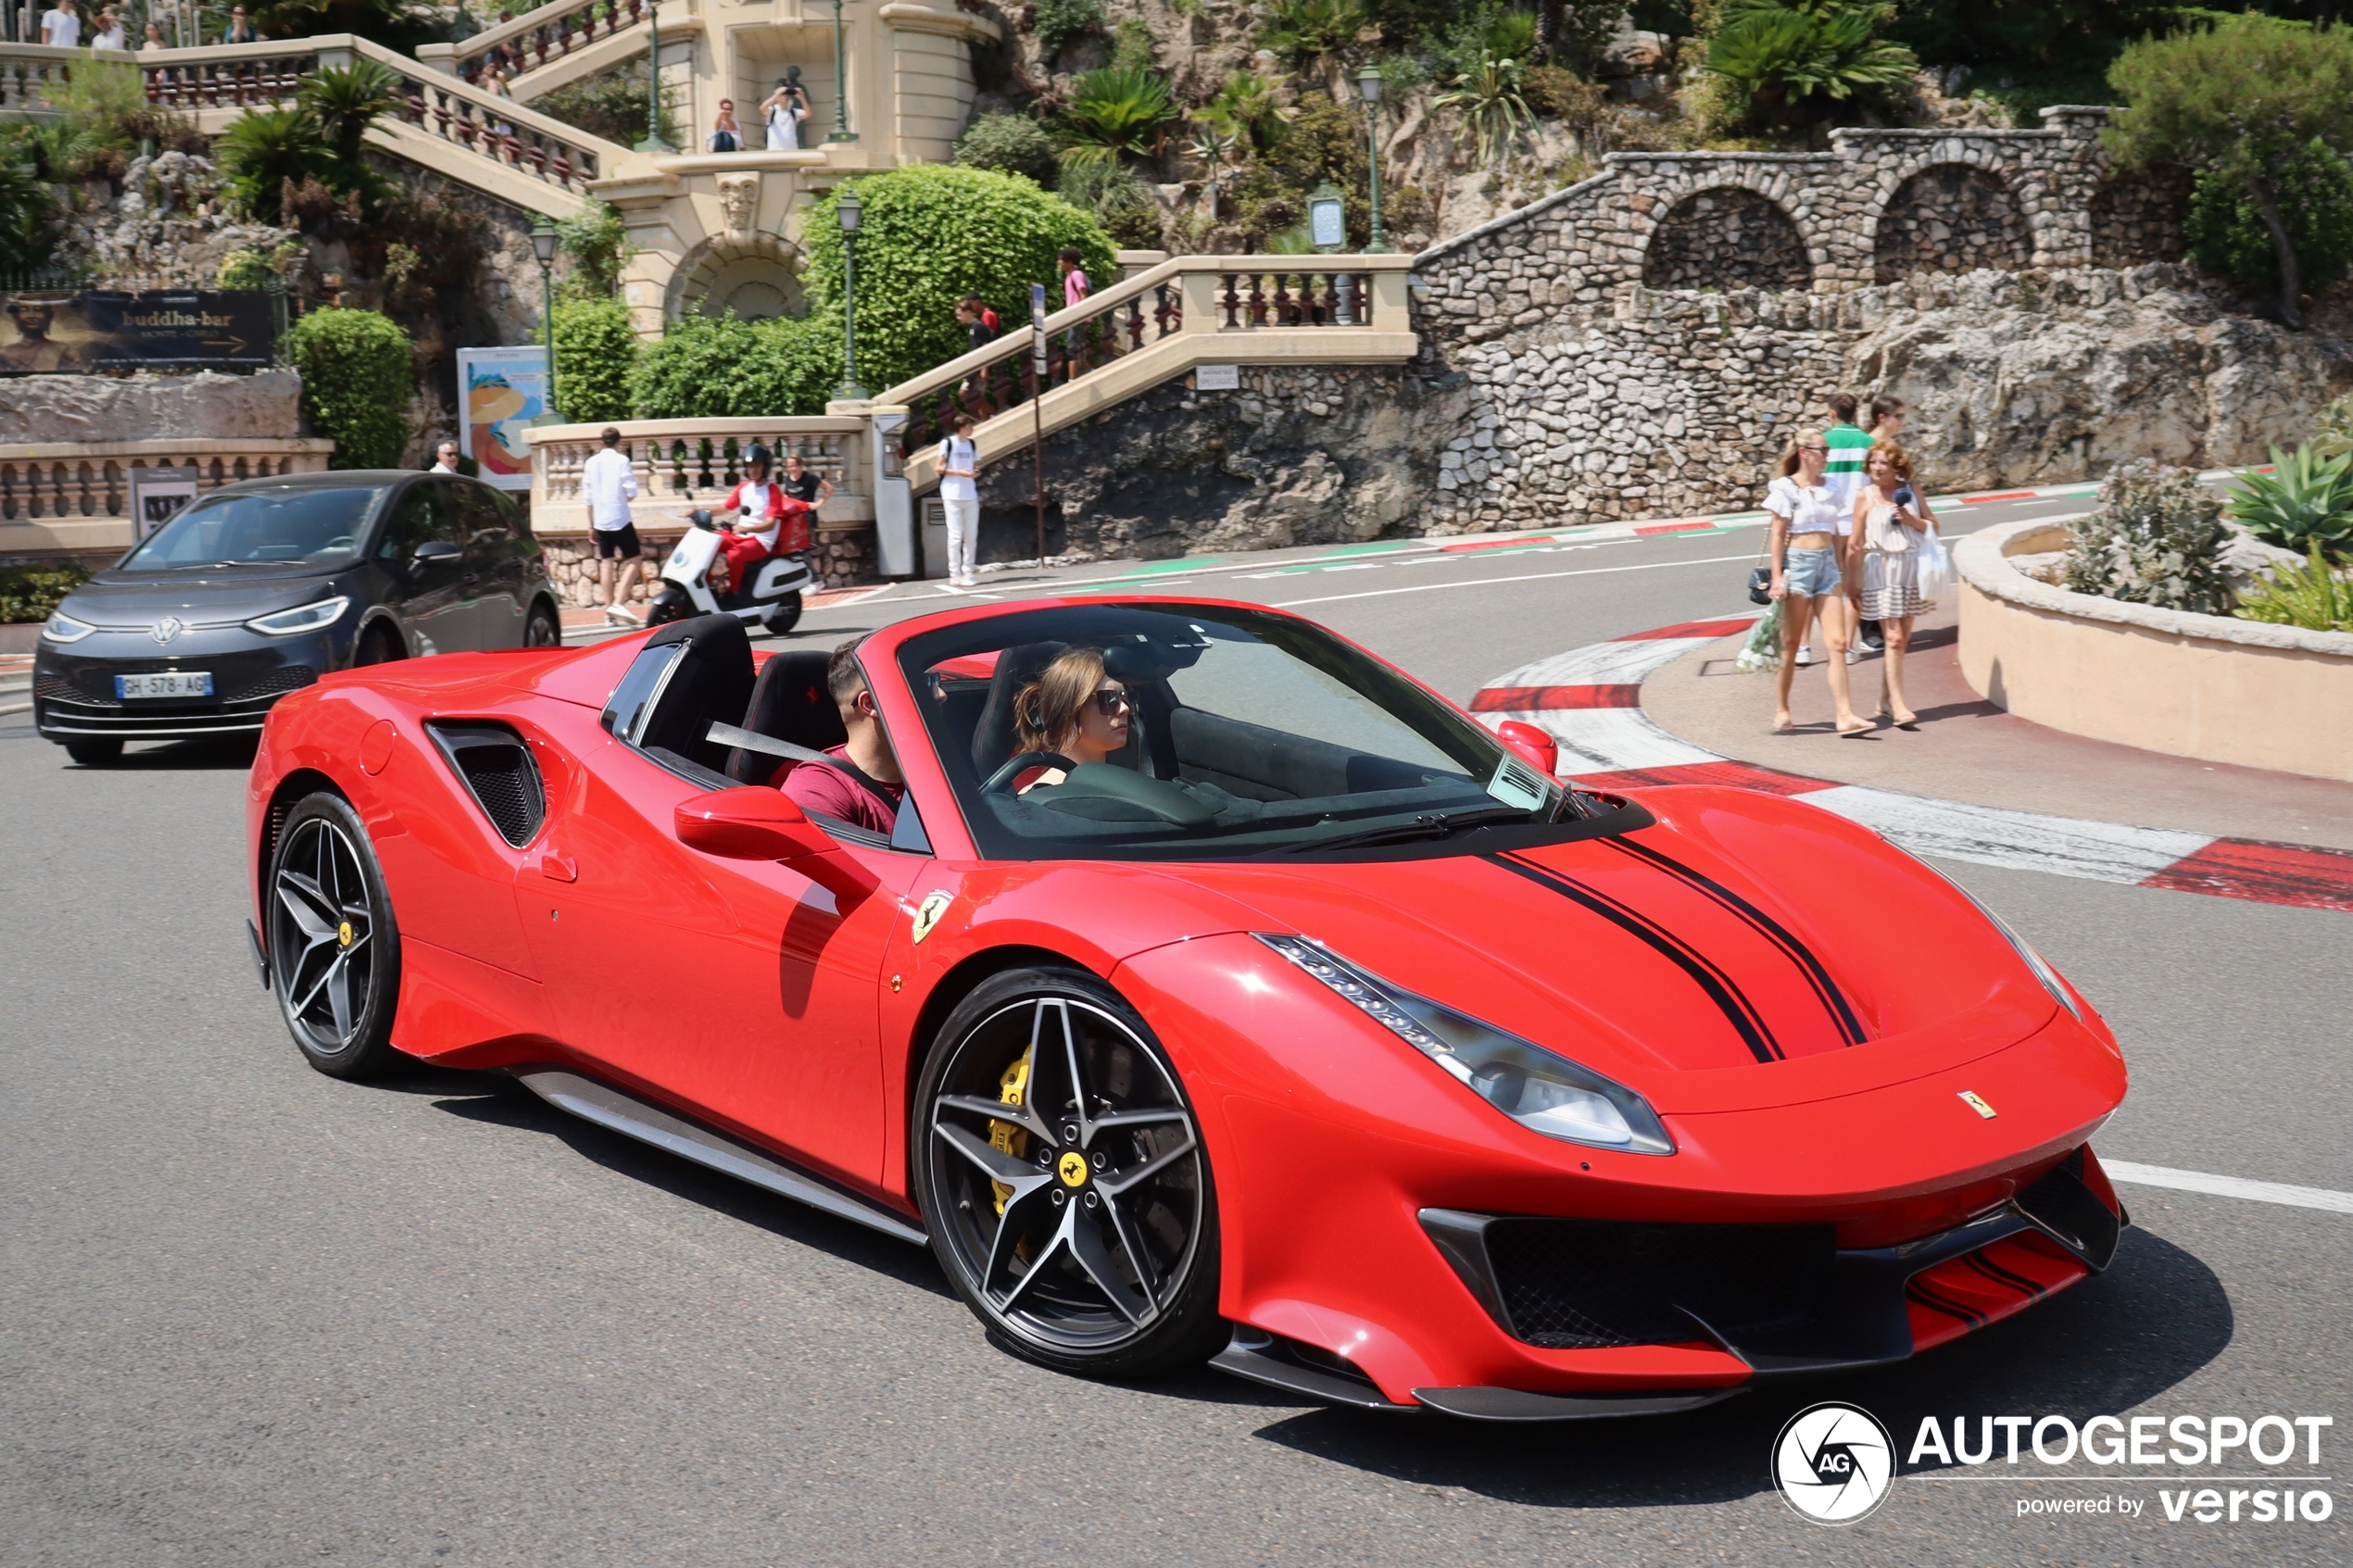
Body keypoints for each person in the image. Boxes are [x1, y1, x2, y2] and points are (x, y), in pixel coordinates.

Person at [1764, 430, 1866, 737]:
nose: (1827, 455)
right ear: (1804, 452)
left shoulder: (1831, 487)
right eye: (1822, 450)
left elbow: (1835, 533)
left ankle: (1845, 715)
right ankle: (1782, 709)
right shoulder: (1785, 488)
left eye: (1827, 450)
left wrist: (1840, 568)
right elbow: (1778, 535)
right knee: (1792, 645)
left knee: (1837, 643)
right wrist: (1777, 577)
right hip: (1798, 565)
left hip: (1827, 568)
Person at [774, 637, 906, 835]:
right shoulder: (818, 791)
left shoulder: (943, 765)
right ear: (870, 704)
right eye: (922, 686)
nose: (940, 694)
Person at [1850, 441, 1939, 729]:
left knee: (1902, 641)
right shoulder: (1864, 496)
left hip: (1911, 567)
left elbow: (1934, 526)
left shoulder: (1911, 489)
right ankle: (1899, 706)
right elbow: (1854, 543)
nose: (1877, 468)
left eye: (1883, 463)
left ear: (1896, 466)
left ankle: (1885, 702)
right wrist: (1853, 582)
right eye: (1873, 462)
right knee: (1893, 639)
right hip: (1882, 569)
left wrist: (1912, 519)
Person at [1008, 646, 1130, 791]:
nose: (1125, 709)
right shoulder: (1036, 801)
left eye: (1125, 698)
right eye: (1109, 700)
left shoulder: (1130, 784)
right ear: (1069, 709)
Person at [717, 443, 812, 590]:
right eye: (749, 466)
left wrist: (746, 528)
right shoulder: (744, 487)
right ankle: (711, 588)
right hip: (741, 535)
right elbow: (724, 507)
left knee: (734, 556)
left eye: (757, 465)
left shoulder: (772, 490)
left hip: (761, 541)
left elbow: (770, 523)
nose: (753, 470)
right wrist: (700, 511)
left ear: (765, 467)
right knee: (713, 541)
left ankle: (734, 593)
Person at [581, 426, 646, 625]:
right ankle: (618, 603)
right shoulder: (622, 460)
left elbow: (588, 497)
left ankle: (608, 613)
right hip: (620, 518)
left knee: (606, 562)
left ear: (601, 442)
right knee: (635, 559)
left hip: (600, 520)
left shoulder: (591, 463)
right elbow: (631, 492)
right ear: (619, 442)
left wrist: (590, 524)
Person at [937, 415, 981, 587]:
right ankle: (954, 574)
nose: (972, 429)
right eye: (970, 425)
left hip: (970, 493)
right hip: (952, 493)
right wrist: (959, 472)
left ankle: (968, 571)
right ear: (961, 427)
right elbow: (938, 467)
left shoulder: (971, 443)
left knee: (971, 535)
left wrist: (975, 471)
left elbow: (976, 464)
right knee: (955, 536)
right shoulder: (948, 443)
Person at [1058, 248, 1090, 367]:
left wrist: (1081, 316)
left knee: (1072, 349)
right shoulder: (1070, 275)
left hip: (1078, 318)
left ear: (1070, 261)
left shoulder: (1076, 274)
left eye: (1061, 259)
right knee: (1077, 348)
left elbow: (1083, 294)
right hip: (1075, 317)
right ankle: (1088, 372)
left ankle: (1073, 380)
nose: (1059, 262)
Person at [779, 450, 831, 516]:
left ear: (801, 465)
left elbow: (829, 488)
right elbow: (785, 497)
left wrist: (818, 504)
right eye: (790, 466)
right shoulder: (786, 479)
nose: (794, 468)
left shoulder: (809, 477)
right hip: (793, 517)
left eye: (796, 465)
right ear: (787, 468)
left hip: (808, 516)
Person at [761, 78, 806, 151]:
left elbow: (808, 114)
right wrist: (776, 95)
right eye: (783, 94)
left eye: (787, 93)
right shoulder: (772, 111)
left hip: (792, 152)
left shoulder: (793, 112)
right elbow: (762, 109)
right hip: (775, 152)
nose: (785, 96)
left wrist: (802, 99)